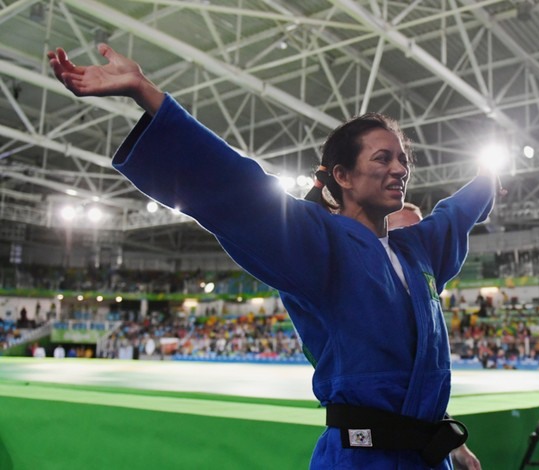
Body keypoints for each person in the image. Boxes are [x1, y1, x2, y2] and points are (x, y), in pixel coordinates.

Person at [48, 44, 496, 469]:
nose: (400, 169)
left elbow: (457, 211)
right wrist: (147, 95)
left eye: (402, 159)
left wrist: (489, 181)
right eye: (383, 158)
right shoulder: (320, 242)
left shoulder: (416, 250)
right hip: (364, 460)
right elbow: (240, 188)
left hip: (431, 459)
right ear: (341, 175)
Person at [389, 202, 481, 470]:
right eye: (407, 231)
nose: (419, 241)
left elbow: (424, 395)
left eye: (422, 232)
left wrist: (458, 447)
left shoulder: (426, 306)